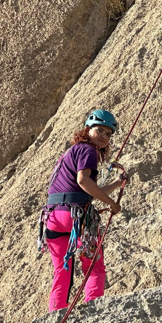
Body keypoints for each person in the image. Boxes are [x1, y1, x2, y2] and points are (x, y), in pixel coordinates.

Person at [41, 110, 127, 311]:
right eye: (100, 130)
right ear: (88, 129)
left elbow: (86, 190)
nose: (104, 136)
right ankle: (93, 309)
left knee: (62, 270)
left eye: (108, 133)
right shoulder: (88, 151)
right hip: (76, 217)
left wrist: (116, 183)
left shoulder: (71, 152)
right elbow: (83, 181)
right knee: (94, 267)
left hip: (53, 217)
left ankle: (55, 312)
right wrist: (113, 205)